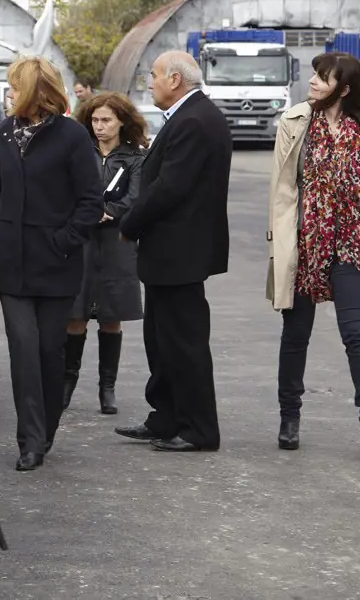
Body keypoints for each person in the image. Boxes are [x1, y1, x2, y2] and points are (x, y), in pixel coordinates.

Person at [0, 57, 104, 471]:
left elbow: (90, 201)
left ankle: (45, 429)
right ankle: (29, 440)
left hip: (56, 263)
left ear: (33, 90)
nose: (9, 94)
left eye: (15, 87)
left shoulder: (72, 137)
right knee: (24, 350)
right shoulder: (5, 133)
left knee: (50, 350)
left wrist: (63, 241)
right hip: (10, 260)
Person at [266, 52, 360, 462]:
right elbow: (282, 187)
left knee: (356, 333)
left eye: (322, 79)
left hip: (354, 241)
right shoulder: (294, 122)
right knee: (296, 334)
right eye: (313, 76)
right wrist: (281, 236)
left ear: (343, 88)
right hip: (306, 238)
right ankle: (289, 419)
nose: (312, 83)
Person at [116, 51, 231, 453]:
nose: (149, 81)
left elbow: (170, 187)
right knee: (161, 340)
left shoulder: (195, 121)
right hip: (170, 253)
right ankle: (165, 418)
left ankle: (198, 429)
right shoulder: (189, 116)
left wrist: (130, 224)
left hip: (182, 252)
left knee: (184, 342)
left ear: (176, 80)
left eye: (154, 75)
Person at [64, 93, 148, 415]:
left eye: (106, 121)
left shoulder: (136, 157)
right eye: (95, 120)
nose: (99, 127)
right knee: (75, 315)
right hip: (81, 241)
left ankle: (107, 387)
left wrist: (108, 212)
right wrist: (87, 214)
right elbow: (67, 189)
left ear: (122, 121)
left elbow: (136, 197)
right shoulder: (79, 153)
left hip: (118, 241)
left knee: (112, 316)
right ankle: (67, 381)